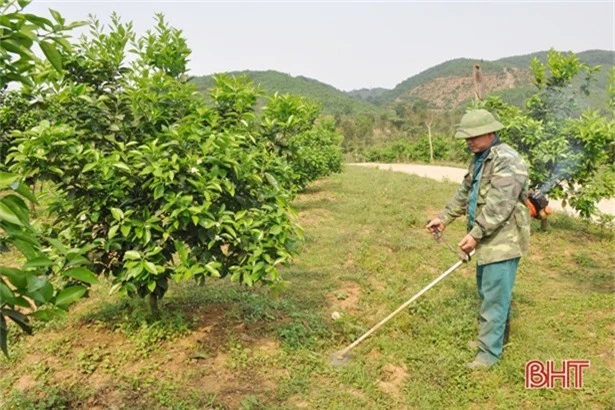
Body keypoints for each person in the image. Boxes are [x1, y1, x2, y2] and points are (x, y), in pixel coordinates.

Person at [426, 109, 530, 369]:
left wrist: (475, 234)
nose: (468, 141)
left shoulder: (508, 160)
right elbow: (465, 193)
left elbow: (499, 205)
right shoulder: (480, 159)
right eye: (466, 137)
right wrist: (444, 217)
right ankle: (494, 341)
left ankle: (489, 354)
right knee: (489, 293)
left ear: (491, 132)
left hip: (502, 240)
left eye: (473, 136)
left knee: (495, 298)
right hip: (487, 239)